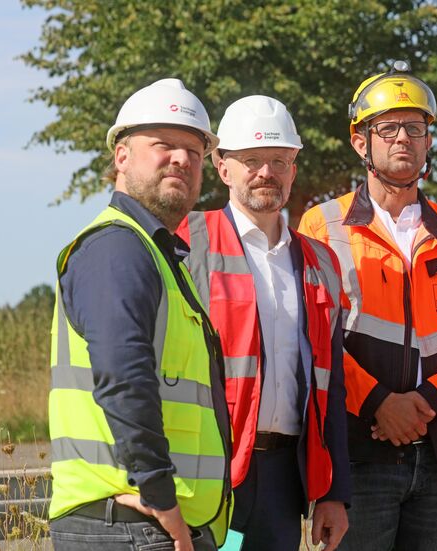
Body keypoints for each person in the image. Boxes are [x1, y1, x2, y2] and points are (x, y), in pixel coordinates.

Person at [298, 60, 437, 551]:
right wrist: (378, 404)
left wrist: (428, 403)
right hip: (359, 453)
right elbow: (315, 335)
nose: (403, 139)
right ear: (360, 142)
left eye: (415, 128)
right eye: (387, 128)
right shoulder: (321, 226)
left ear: (429, 141)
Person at [47, 78, 231, 551]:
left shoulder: (158, 254)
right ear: (122, 156)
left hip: (147, 523)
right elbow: (124, 378)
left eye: (194, 152)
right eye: (163, 145)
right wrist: (160, 493)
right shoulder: (118, 248)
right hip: (130, 524)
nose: (182, 159)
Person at [175, 95, 350, 551]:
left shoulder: (321, 262)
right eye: (251, 160)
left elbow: (332, 385)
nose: (266, 172)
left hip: (283, 477)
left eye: (279, 160)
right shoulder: (185, 242)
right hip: (205, 471)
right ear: (223, 168)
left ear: (293, 169)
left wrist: (334, 492)